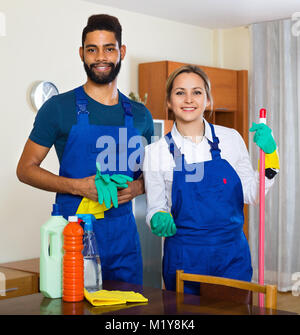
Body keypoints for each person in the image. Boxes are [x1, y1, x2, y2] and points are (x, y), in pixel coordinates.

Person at [17, 14, 154, 285]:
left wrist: (138, 188)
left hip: (124, 240)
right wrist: (79, 187)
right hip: (75, 238)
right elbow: (25, 169)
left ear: (121, 52)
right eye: (92, 49)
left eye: (109, 48)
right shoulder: (57, 108)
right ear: (82, 53)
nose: (100, 57)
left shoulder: (141, 116)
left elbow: (154, 174)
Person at [142, 65, 279, 294]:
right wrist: (156, 218)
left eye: (196, 92)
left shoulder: (231, 139)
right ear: (169, 101)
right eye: (179, 92)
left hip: (231, 257)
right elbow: (155, 208)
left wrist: (271, 158)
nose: (188, 99)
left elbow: (253, 193)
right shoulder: (155, 152)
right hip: (184, 260)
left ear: (207, 99)